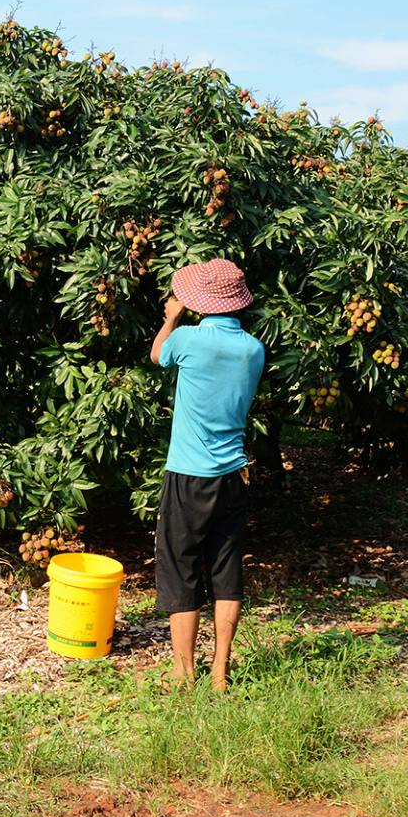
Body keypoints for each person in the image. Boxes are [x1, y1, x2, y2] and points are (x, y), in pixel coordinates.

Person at [149, 257, 264, 692]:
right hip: (233, 476)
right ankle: (220, 671)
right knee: (225, 567)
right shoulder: (254, 349)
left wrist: (172, 317)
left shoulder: (188, 340)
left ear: (200, 303)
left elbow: (158, 354)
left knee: (181, 568)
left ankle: (183, 671)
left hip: (187, 475)